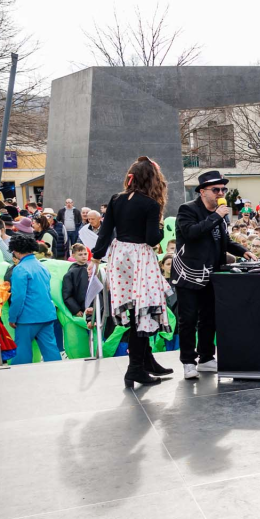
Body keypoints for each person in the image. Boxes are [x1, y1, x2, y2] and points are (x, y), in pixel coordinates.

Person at [89, 157, 175, 384]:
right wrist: (159, 225)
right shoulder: (150, 204)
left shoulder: (116, 199)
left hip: (119, 258)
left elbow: (105, 232)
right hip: (141, 260)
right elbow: (152, 239)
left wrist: (96, 257)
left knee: (137, 312)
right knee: (143, 313)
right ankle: (135, 368)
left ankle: (146, 361)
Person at [172, 170, 245, 380]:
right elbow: (192, 233)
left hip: (212, 273)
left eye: (223, 189)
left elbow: (225, 241)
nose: (221, 193)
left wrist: (242, 251)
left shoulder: (219, 216)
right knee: (188, 319)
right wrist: (217, 216)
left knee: (209, 317)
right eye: (216, 189)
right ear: (203, 191)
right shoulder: (187, 209)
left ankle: (206, 358)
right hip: (189, 273)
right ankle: (188, 361)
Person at [6, 234, 61, 365]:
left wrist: (12, 317)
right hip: (46, 314)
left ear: (15, 251)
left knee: (22, 352)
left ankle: (20, 380)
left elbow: (18, 297)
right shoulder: (42, 266)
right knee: (51, 349)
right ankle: (59, 375)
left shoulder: (20, 269)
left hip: (27, 317)